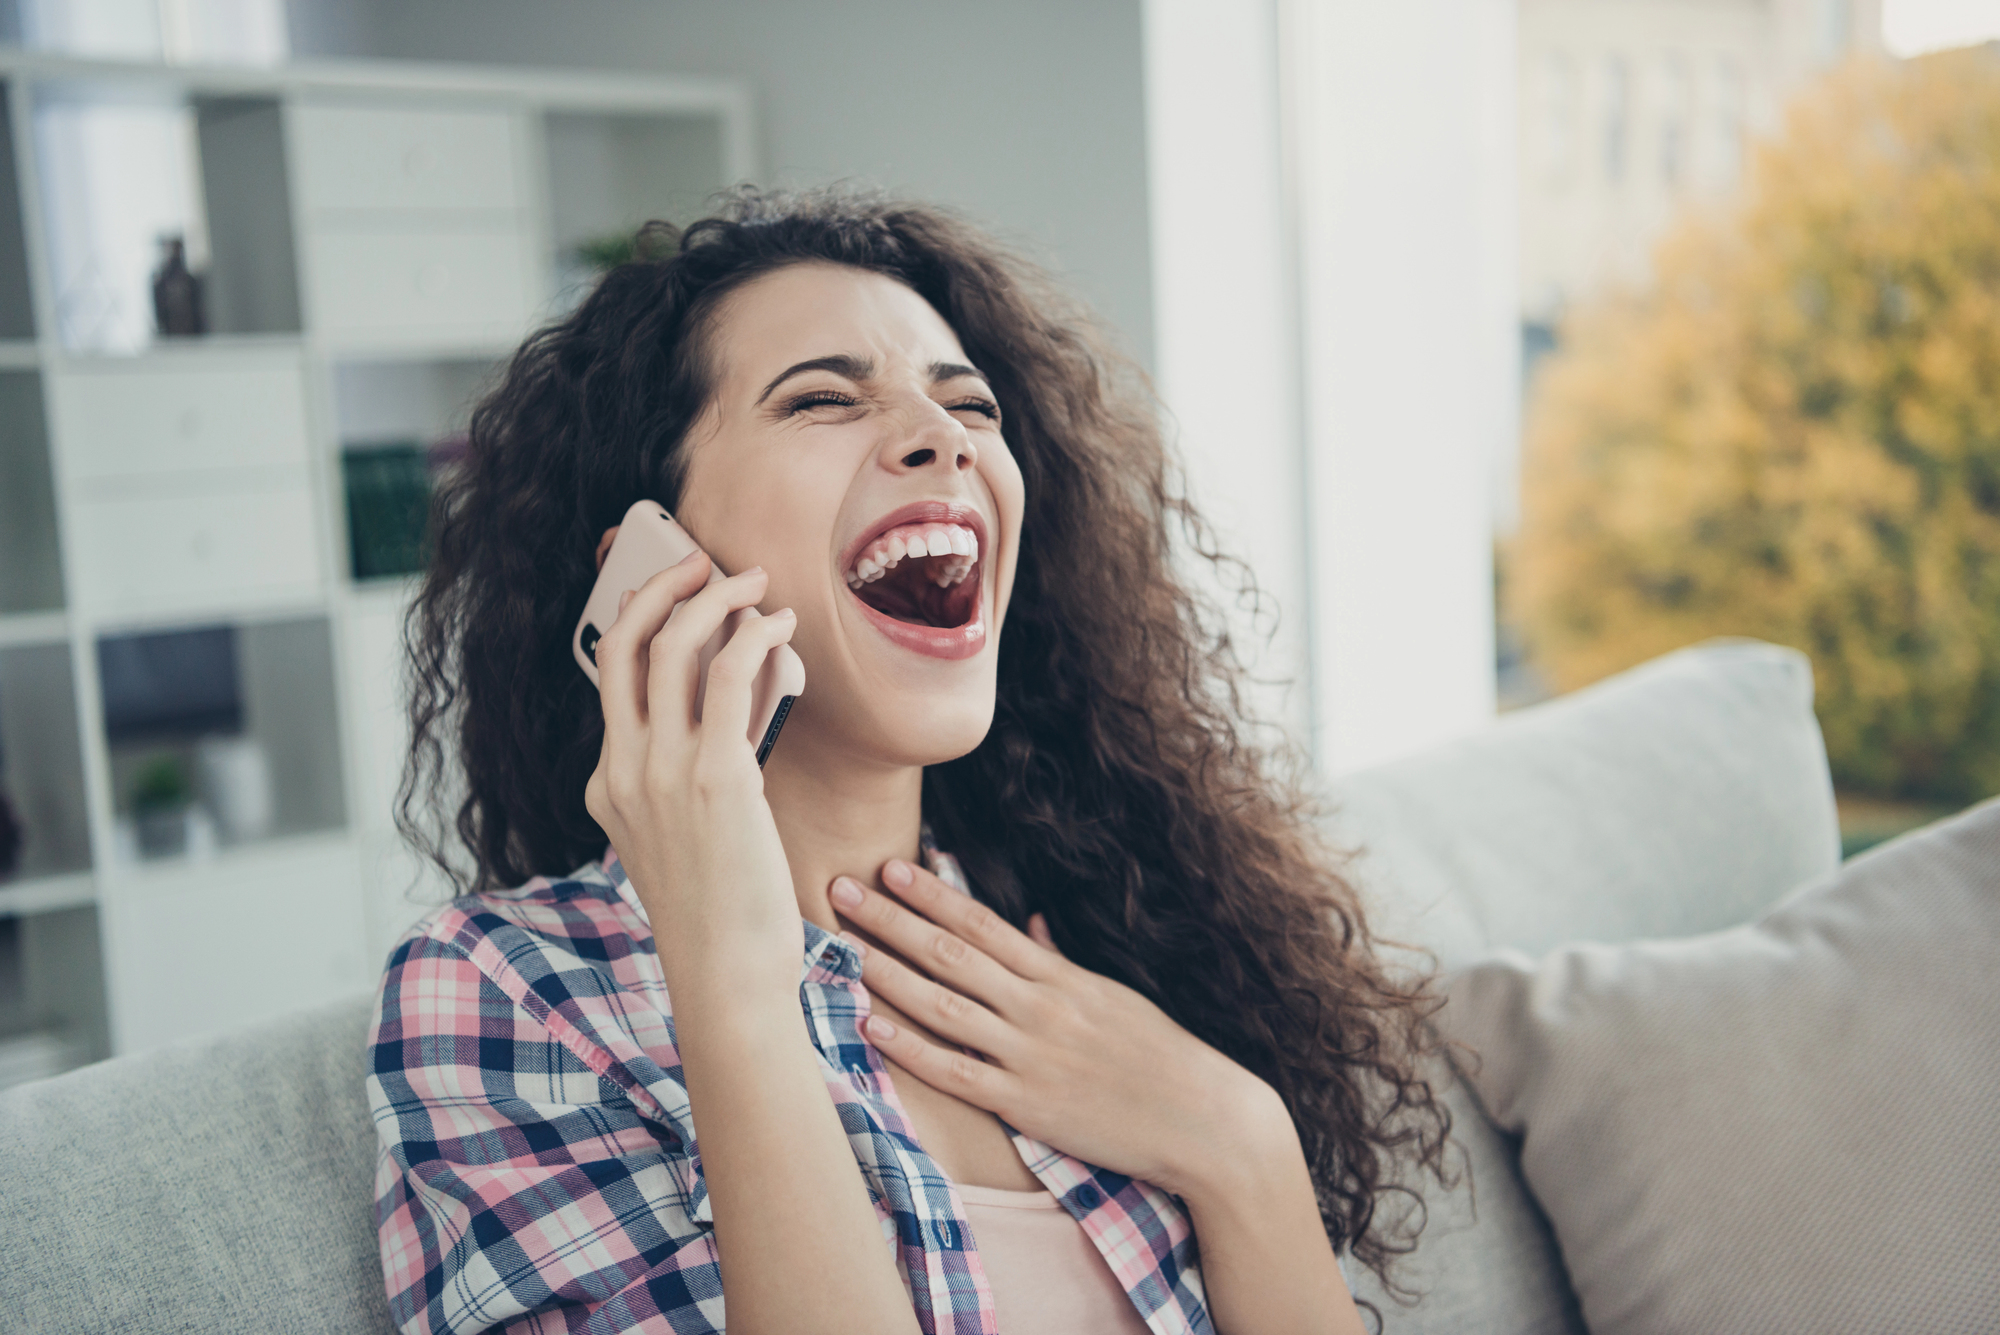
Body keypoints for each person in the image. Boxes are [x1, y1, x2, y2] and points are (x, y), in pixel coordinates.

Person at [371, 187, 1450, 1335]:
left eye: (967, 404)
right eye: (824, 399)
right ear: (651, 572)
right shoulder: (502, 992)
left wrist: (1239, 1145)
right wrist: (733, 981)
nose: (942, 436)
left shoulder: (1092, 923)